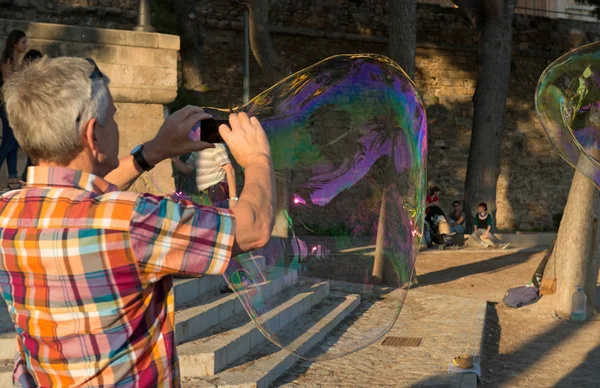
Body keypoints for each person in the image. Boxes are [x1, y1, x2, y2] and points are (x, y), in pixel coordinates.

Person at [1, 56, 275, 387]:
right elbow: (253, 228)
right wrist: (257, 159)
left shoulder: (7, 212)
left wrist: (153, 152)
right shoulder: (133, 221)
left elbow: (76, 201)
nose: (116, 125)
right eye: (113, 118)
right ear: (93, 136)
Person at [170, 142, 238, 209]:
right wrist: (176, 160)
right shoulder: (196, 150)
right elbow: (188, 170)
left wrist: (233, 198)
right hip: (205, 193)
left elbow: (229, 169)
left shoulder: (215, 146)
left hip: (216, 191)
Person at [0, 29, 27, 190]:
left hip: (13, 103)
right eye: (23, 42)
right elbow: (9, 85)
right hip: (5, 103)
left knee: (14, 141)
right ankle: (13, 177)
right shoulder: (7, 62)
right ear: (15, 43)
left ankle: (12, 178)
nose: (26, 45)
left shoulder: (17, 63)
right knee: (10, 140)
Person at [16, 49, 44, 182]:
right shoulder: (24, 79)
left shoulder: (35, 78)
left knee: (35, 149)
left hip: (34, 117)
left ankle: (26, 174)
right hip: (29, 117)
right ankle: (25, 175)